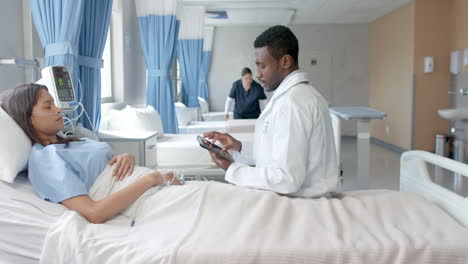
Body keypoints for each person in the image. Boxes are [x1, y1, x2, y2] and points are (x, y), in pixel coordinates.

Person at [0, 84, 182, 224]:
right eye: (48, 107)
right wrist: (152, 179)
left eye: (54, 104)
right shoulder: (44, 158)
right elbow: (94, 213)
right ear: (27, 118)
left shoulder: (70, 141)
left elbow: (107, 166)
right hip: (147, 198)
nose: (58, 110)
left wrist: (126, 156)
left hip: (158, 188)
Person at [204, 25, 339, 198]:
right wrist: (240, 146)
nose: (258, 75)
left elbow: (286, 178)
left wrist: (233, 169)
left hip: (304, 203)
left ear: (285, 62)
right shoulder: (300, 95)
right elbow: (276, 151)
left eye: (262, 67)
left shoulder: (292, 103)